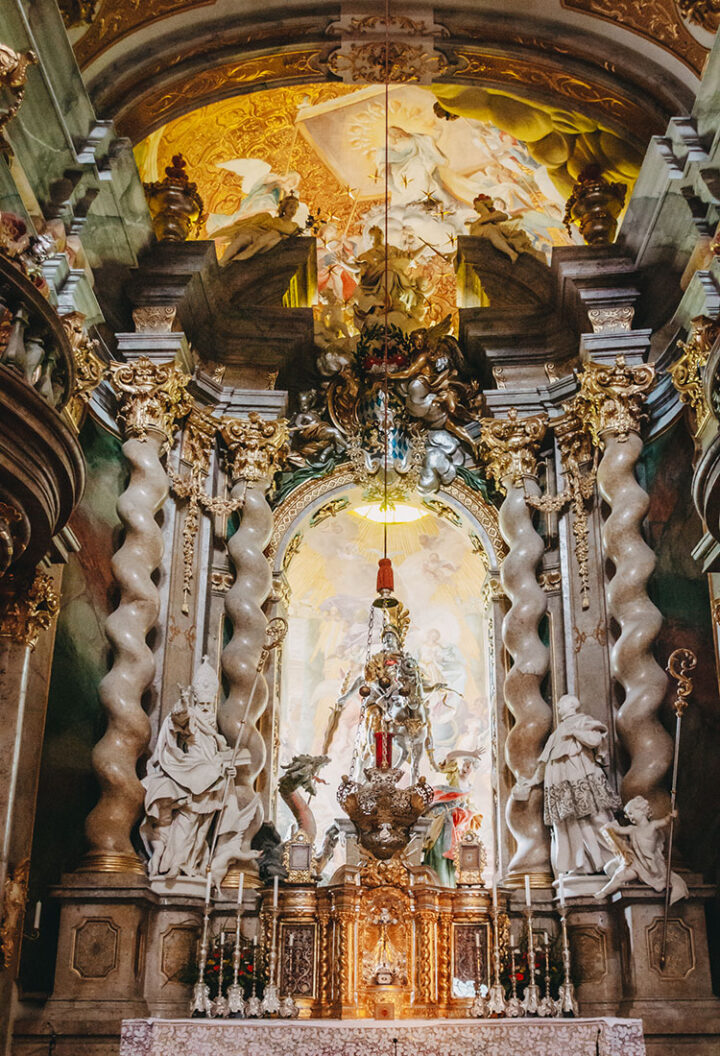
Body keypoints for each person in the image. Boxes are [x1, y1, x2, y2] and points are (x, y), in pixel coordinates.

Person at [141, 658, 259, 886]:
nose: (206, 710)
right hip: (195, 772)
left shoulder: (215, 732)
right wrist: (184, 704)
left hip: (213, 775)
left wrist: (230, 770)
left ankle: (190, 864)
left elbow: (221, 755)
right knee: (188, 818)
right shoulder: (192, 717)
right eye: (202, 705)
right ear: (196, 700)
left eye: (209, 706)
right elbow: (179, 718)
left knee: (203, 823)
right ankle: (174, 863)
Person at [515, 694, 621, 876]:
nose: (558, 708)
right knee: (571, 824)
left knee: (597, 817)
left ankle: (615, 858)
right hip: (561, 784)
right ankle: (582, 864)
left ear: (571, 705)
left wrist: (575, 732)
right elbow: (545, 761)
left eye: (560, 705)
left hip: (580, 777)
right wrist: (533, 781)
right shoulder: (556, 734)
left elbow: (595, 741)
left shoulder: (583, 721)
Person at [595, 796, 688, 904]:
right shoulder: (632, 829)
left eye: (630, 813)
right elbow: (619, 830)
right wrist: (609, 827)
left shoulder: (652, 826)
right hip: (636, 863)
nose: (627, 816)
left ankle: (605, 892)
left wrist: (671, 816)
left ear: (642, 811)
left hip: (649, 867)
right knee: (614, 872)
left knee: (619, 876)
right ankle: (604, 892)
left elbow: (664, 821)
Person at [215, 193, 302, 265]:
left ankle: (235, 261)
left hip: (271, 241)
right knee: (243, 238)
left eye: (295, 208)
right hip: (261, 236)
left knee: (258, 243)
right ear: (284, 208)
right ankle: (223, 261)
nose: (293, 210)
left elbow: (292, 240)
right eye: (290, 207)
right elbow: (260, 227)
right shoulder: (274, 220)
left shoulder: (294, 226)